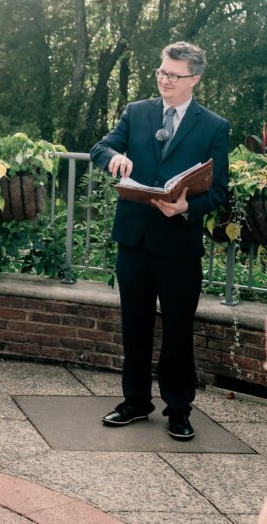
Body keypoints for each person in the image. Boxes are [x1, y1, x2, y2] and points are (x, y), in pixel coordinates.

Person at [90, 41, 229, 441]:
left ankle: (179, 409)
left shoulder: (214, 126)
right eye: (161, 72)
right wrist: (112, 159)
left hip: (179, 246)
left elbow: (219, 190)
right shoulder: (137, 112)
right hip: (133, 239)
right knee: (134, 325)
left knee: (178, 330)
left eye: (173, 74)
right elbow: (102, 146)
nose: (164, 79)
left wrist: (187, 207)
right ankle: (135, 402)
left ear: (195, 79)